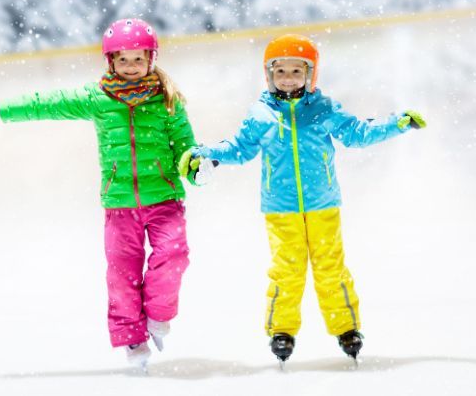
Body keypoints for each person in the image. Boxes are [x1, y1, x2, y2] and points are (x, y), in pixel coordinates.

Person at [179, 34, 426, 364]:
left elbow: (358, 133)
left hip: (323, 203)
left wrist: (397, 124)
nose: (288, 78)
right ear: (268, 75)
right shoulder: (261, 115)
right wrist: (206, 155)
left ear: (311, 75)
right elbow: (238, 148)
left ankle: (346, 328)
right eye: (279, 71)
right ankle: (281, 331)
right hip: (280, 209)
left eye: (297, 71)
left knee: (330, 267)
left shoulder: (323, 109)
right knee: (287, 269)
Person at [0, 18, 199, 370]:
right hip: (119, 203)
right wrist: (4, 111)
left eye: (138, 59)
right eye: (122, 60)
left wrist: (196, 167)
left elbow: (186, 148)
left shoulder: (167, 101)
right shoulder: (97, 99)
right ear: (110, 62)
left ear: (151, 59)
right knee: (122, 274)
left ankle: (158, 315)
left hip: (165, 199)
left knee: (174, 255)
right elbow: (47, 103)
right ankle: (133, 340)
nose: (131, 67)